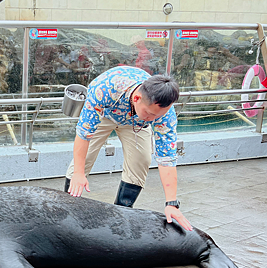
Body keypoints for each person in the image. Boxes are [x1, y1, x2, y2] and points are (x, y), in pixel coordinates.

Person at [64, 65, 192, 231]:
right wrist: (79, 173)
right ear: (137, 98)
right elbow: (84, 134)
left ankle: (121, 212)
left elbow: (167, 157)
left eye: (158, 116)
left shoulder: (163, 114)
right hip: (105, 114)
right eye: (150, 113)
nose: (154, 119)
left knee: (142, 159)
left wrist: (171, 203)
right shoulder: (104, 88)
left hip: (137, 124)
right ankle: (67, 208)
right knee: (82, 160)